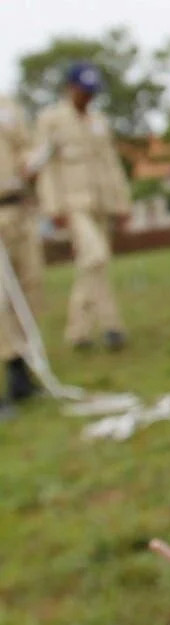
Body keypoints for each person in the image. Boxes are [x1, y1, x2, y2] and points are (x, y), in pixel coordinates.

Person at [36, 61, 130, 352]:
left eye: (91, 92)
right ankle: (111, 325)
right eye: (82, 91)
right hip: (73, 205)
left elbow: (111, 165)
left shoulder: (99, 122)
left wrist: (122, 202)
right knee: (96, 256)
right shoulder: (51, 120)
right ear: (70, 88)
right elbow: (46, 166)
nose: (87, 97)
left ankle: (81, 331)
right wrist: (53, 208)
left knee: (92, 264)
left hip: (101, 204)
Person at [0, 93, 44, 416]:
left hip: (18, 207)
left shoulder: (8, 105)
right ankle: (13, 365)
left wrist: (31, 160)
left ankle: (23, 370)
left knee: (29, 287)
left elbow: (25, 145)